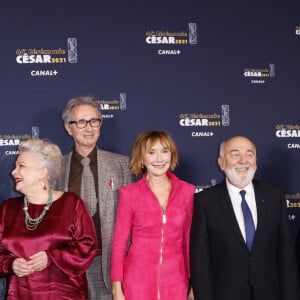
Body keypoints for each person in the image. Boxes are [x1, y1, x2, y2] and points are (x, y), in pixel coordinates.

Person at [190, 135, 300, 300]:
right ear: (221, 162)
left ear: (255, 160)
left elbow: (286, 254)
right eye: (235, 154)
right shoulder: (205, 201)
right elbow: (200, 262)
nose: (243, 160)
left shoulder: (274, 196)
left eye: (249, 154)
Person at [55, 96, 132, 300]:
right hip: (69, 270)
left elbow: (134, 219)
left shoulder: (123, 165)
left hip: (110, 268)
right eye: (81, 122)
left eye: (94, 121)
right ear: (68, 127)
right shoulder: (55, 169)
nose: (89, 128)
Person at [0, 138, 97, 299]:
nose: (14, 172)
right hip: (20, 294)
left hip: (65, 295)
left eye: (21, 166)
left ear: (43, 172)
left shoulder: (71, 204)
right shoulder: (7, 209)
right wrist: (11, 264)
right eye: (15, 166)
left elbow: (87, 247)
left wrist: (51, 257)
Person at [111, 130, 195, 300]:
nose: (159, 159)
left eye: (165, 151)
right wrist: (116, 288)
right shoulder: (129, 194)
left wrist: (194, 284)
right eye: (152, 152)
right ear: (142, 158)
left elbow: (190, 241)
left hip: (177, 281)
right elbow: (119, 243)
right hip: (137, 281)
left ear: (172, 156)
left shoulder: (187, 191)